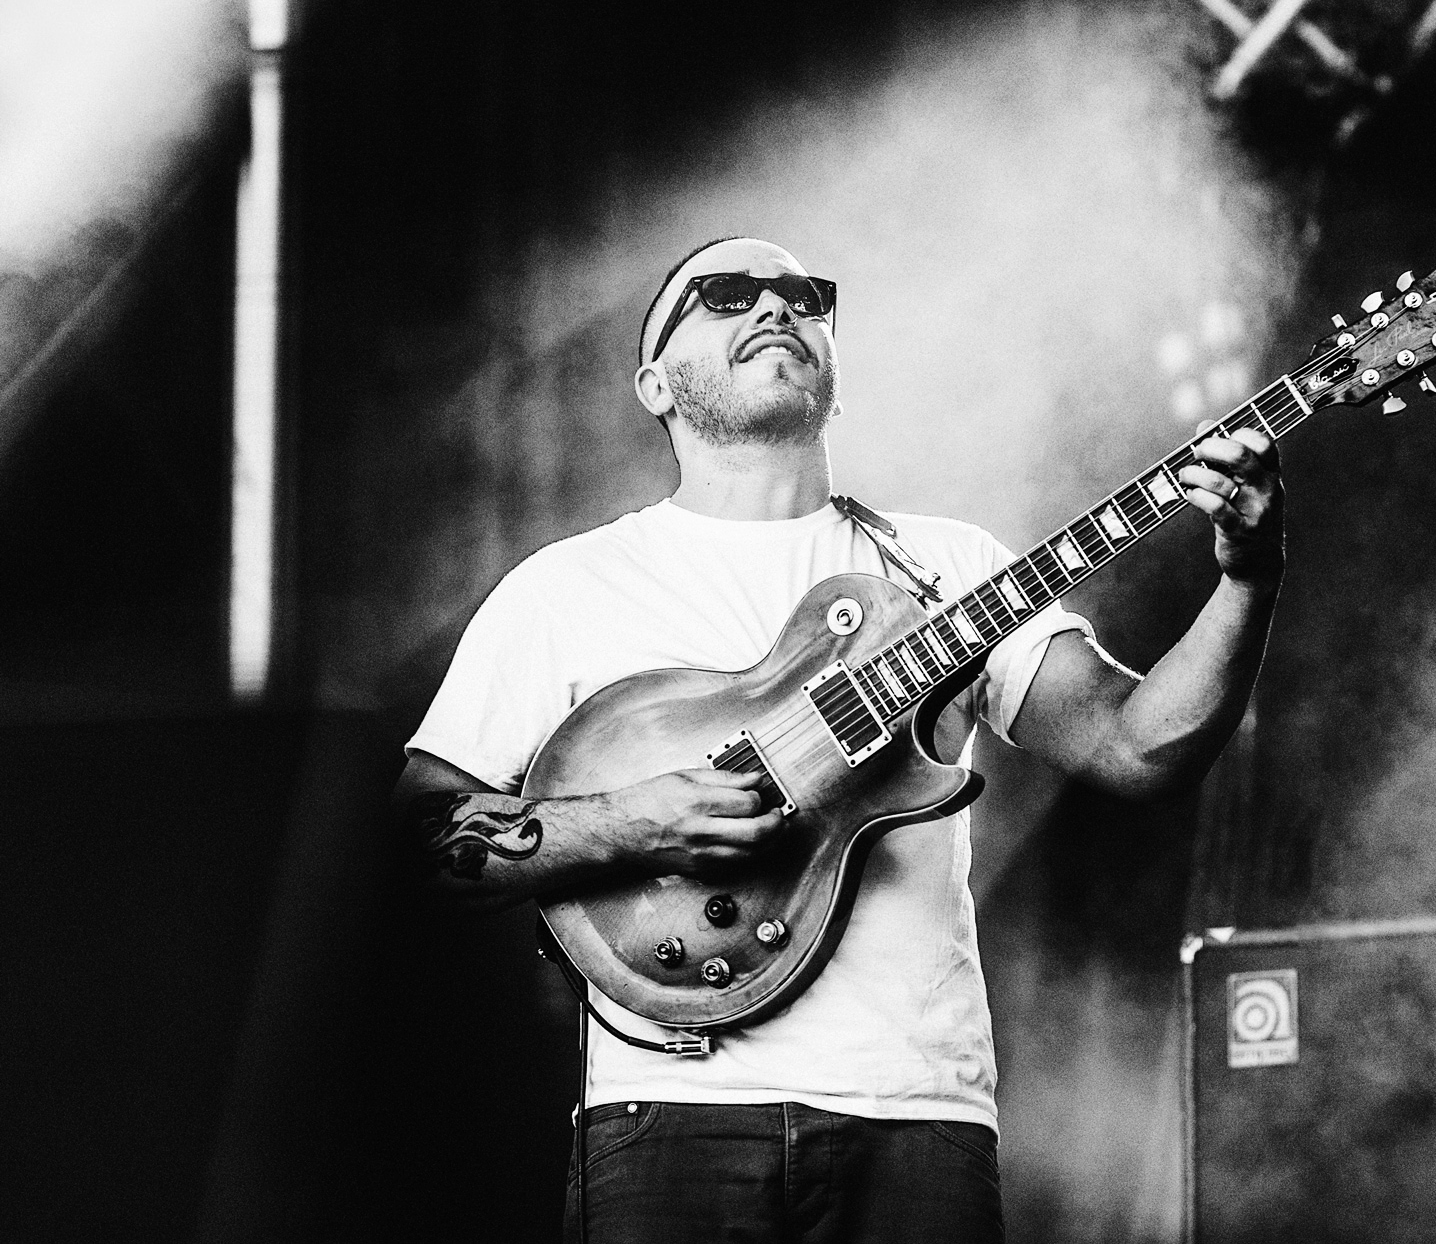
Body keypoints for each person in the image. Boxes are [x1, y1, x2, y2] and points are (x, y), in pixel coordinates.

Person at [392, 236, 1284, 1243]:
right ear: (654, 383)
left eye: (805, 297)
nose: (775, 307)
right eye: (726, 295)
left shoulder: (945, 567)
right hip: (666, 1122)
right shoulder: (568, 588)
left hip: (912, 1114)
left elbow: (1138, 748)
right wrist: (637, 820)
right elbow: (422, 840)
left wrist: (1248, 572)